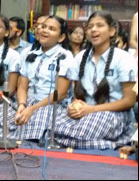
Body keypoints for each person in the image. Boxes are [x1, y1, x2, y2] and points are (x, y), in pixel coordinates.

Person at [54, 11, 137, 149]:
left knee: (85, 129)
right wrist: (75, 107)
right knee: (51, 126)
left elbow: (129, 101)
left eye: (99, 25)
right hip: (85, 113)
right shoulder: (80, 57)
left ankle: (112, 142)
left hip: (114, 114)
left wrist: (92, 109)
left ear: (112, 31)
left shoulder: (124, 58)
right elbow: (77, 96)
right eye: (90, 26)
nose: (93, 30)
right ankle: (101, 144)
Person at [0, 16, 76, 140]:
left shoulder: (65, 56)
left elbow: (60, 93)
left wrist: (32, 109)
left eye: (51, 29)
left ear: (61, 37)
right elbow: (22, 86)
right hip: (28, 102)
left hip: (51, 104)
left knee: (36, 121)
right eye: (43, 27)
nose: (44, 30)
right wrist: (22, 105)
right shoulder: (28, 53)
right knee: (0, 116)